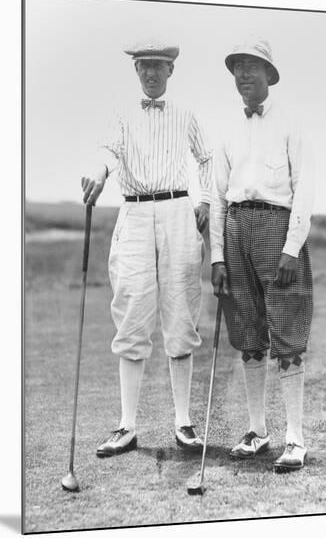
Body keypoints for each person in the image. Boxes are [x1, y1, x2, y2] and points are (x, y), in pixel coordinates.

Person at [81, 40, 213, 457]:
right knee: (133, 312)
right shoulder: (121, 114)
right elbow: (107, 151)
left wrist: (205, 198)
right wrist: (97, 175)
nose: (151, 73)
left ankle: (184, 423)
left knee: (180, 315)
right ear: (136, 70)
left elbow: (207, 158)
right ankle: (127, 426)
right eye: (144, 66)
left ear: (171, 70)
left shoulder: (186, 114)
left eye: (158, 66)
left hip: (178, 211)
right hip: (135, 214)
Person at [210, 36, 314, 471]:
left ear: (269, 75)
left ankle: (295, 439)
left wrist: (292, 247)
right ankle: (258, 431)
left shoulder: (290, 123)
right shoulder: (228, 130)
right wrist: (216, 256)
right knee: (248, 333)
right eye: (238, 68)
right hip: (235, 229)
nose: (244, 75)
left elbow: (305, 188)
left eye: (252, 66)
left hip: (277, 228)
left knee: (287, 330)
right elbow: (217, 197)